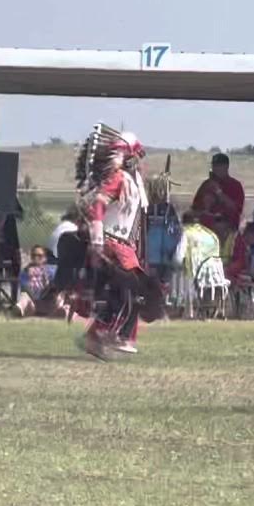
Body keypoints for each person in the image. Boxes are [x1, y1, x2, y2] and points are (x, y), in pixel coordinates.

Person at [72, 124, 163, 358]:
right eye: (136, 156)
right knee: (131, 291)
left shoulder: (132, 182)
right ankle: (116, 335)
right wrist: (97, 238)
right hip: (113, 244)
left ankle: (95, 337)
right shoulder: (119, 178)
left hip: (124, 245)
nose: (140, 163)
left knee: (121, 293)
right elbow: (98, 205)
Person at [173, 210, 228, 318]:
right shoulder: (210, 234)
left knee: (179, 274)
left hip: (193, 271)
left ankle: (187, 311)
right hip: (213, 273)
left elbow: (179, 256)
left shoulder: (185, 233)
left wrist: (173, 265)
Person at [191, 153, 245, 235]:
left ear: (226, 166)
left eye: (219, 166)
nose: (216, 169)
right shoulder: (206, 184)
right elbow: (195, 207)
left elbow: (236, 208)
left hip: (226, 226)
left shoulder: (235, 185)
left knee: (219, 226)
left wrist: (218, 192)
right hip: (206, 224)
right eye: (214, 166)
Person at [10, 245, 63, 317]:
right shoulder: (25, 272)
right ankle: (17, 311)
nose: (36, 258)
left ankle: (62, 312)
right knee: (24, 296)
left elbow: (60, 284)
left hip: (49, 302)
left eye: (39, 256)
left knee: (59, 297)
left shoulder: (53, 270)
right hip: (34, 304)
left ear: (45, 258)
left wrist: (50, 285)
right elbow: (26, 289)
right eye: (34, 256)